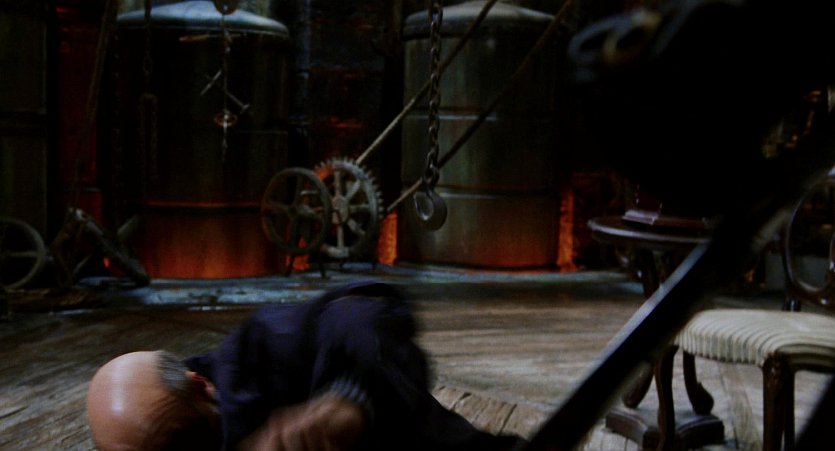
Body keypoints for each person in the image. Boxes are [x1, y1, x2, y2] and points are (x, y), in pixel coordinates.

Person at [86, 280, 525, 450]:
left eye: (180, 443)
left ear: (202, 385)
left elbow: (363, 311)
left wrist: (348, 399)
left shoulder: (260, 353)